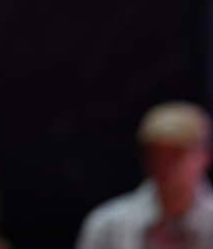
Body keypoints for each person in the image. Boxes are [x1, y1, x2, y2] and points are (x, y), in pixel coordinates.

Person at [75, 101, 213, 249]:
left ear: (206, 156)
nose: (163, 163)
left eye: (176, 154)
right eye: (156, 153)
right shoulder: (106, 225)